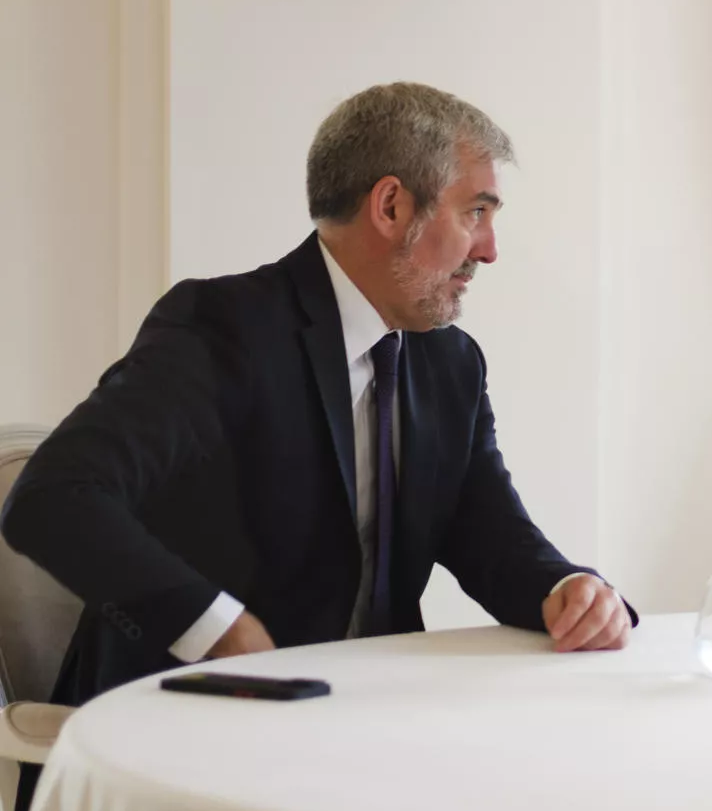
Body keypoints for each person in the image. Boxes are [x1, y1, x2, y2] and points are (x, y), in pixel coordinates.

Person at [1, 82, 632, 717]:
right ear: (390, 206)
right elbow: (54, 497)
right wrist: (218, 628)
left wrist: (569, 589)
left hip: (370, 722)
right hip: (185, 728)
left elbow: (492, 539)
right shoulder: (219, 329)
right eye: (476, 213)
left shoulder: (451, 363)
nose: (490, 249)